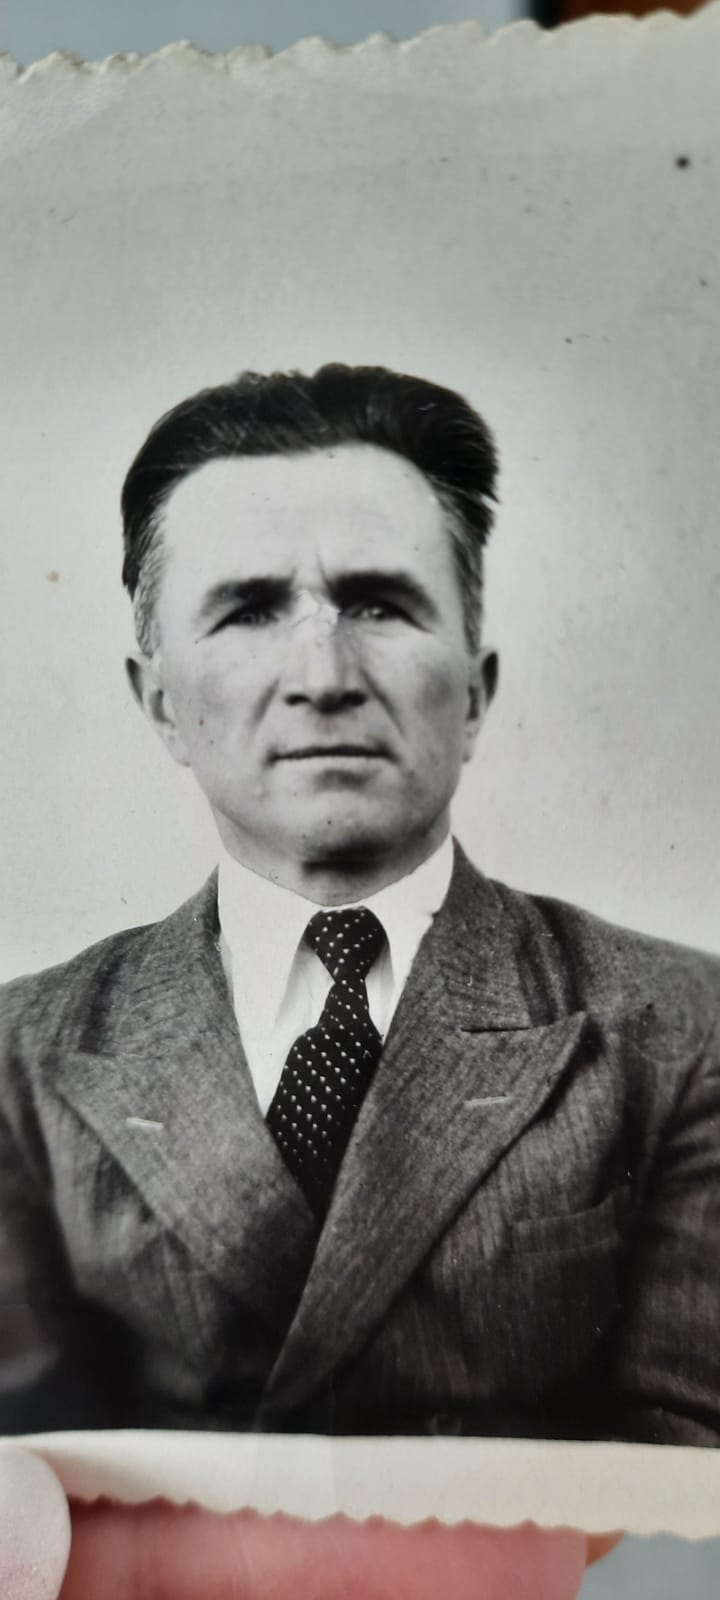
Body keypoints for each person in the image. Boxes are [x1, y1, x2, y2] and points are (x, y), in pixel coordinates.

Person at [1, 364, 719, 1445]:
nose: (324, 675)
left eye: (379, 603)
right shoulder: (18, 1058)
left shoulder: (685, 1031)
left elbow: (690, 1494)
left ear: (474, 692)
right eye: (249, 610)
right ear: (161, 704)